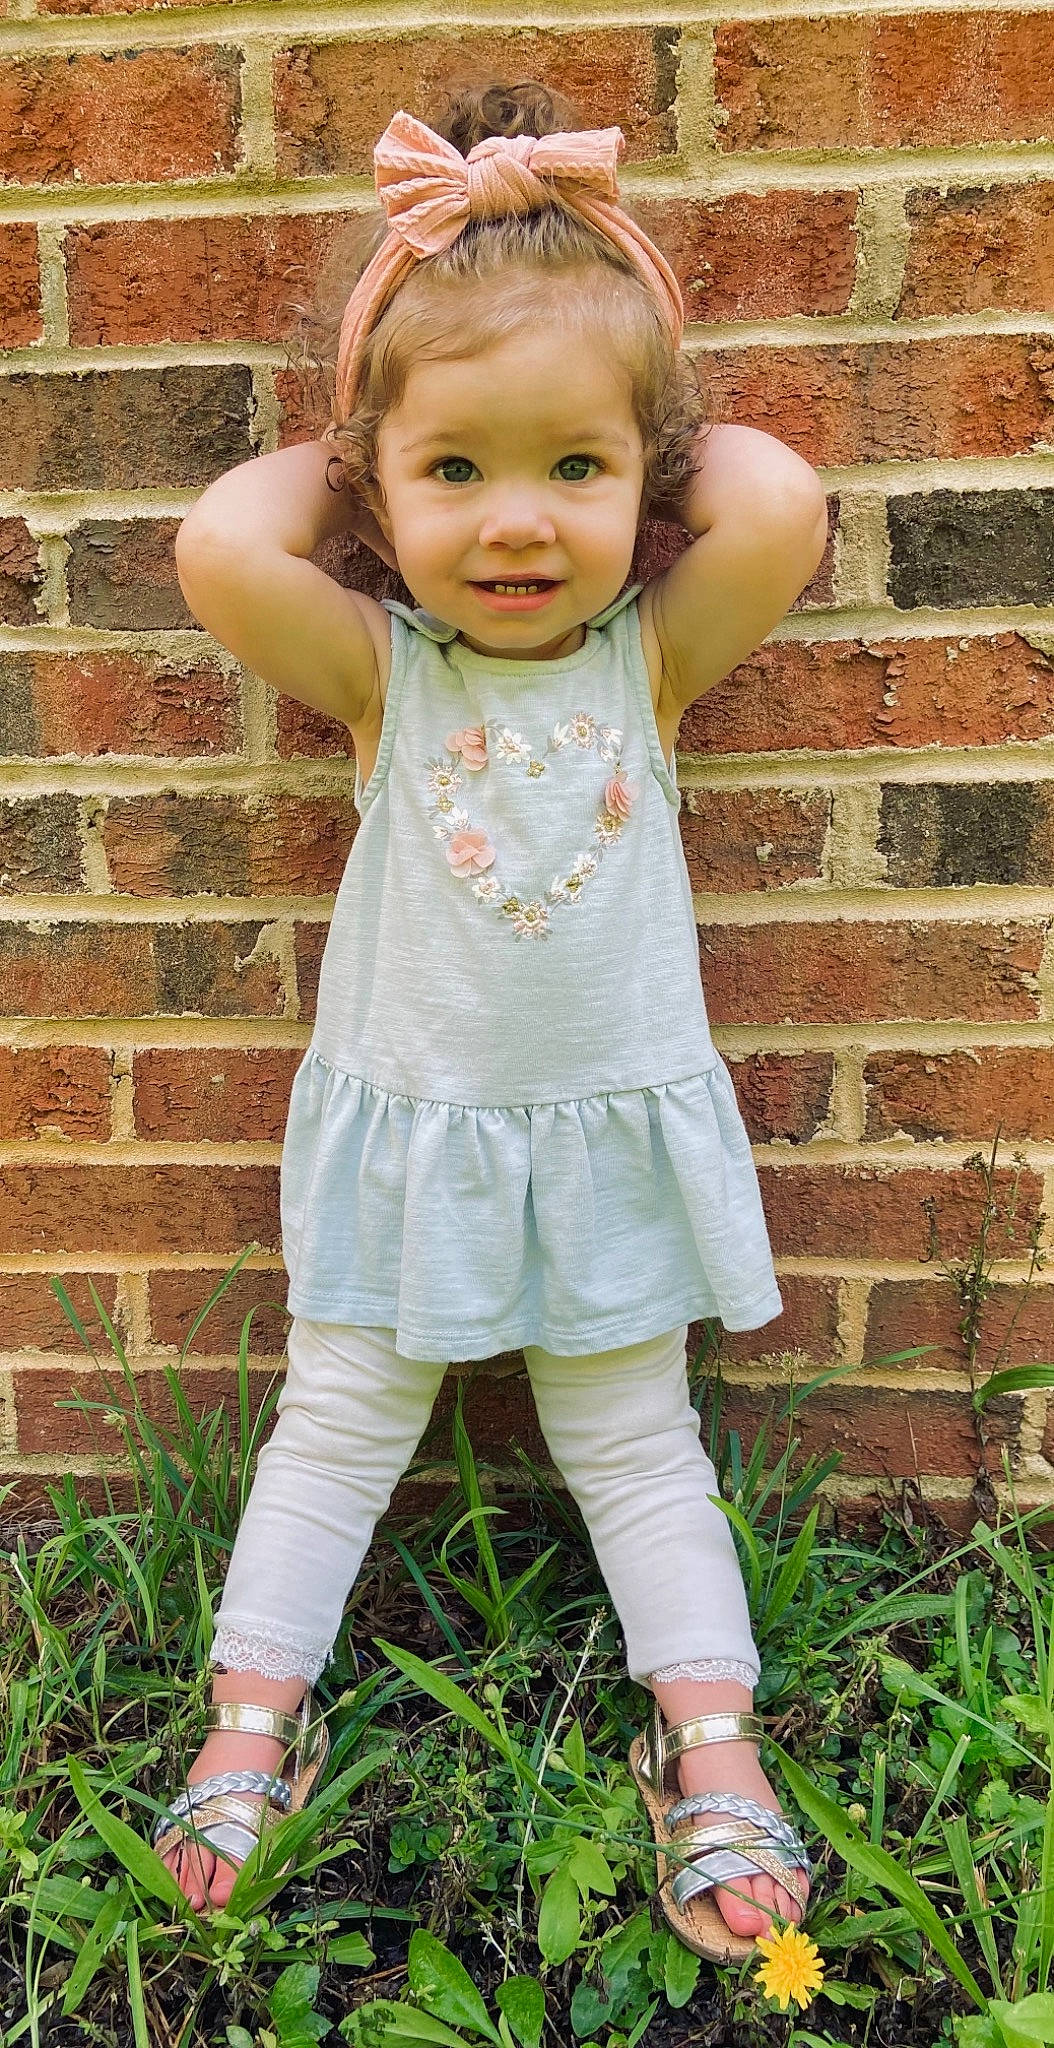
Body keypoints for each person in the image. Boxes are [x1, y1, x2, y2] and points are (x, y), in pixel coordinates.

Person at [153, 79, 829, 1963]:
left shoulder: (650, 661)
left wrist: (636, 450)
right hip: (417, 1142)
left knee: (633, 1438)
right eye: (456, 473)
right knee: (336, 1423)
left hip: (601, 1136)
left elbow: (773, 492)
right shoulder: (380, 673)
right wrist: (369, 442)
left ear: (643, 480)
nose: (516, 523)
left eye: (574, 471)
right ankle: (248, 1725)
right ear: (375, 491)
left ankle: (708, 1742)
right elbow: (224, 542)